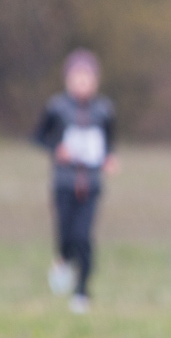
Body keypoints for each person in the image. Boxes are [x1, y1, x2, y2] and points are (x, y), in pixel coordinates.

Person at [34, 49, 116, 313]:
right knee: (65, 235)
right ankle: (62, 261)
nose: (82, 84)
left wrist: (109, 158)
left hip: (91, 185)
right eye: (77, 78)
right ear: (68, 79)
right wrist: (56, 149)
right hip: (64, 182)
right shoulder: (57, 107)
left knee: (84, 236)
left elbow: (108, 142)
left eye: (87, 78)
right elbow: (38, 136)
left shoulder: (104, 110)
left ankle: (82, 291)